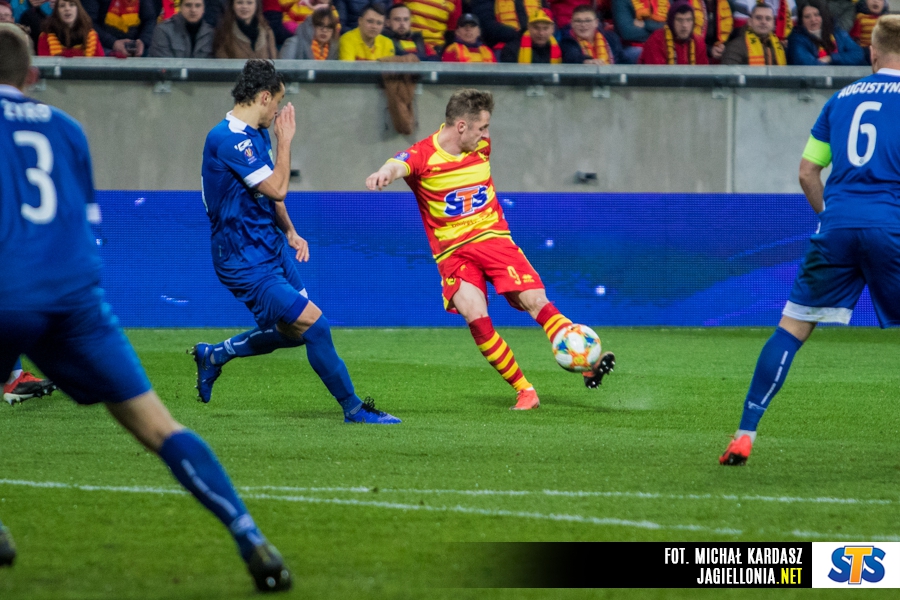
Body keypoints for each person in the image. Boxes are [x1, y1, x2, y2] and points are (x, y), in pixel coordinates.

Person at [0, 27, 292, 592]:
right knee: (159, 427)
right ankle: (252, 537)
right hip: (75, 301)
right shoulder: (66, 129)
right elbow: (86, 227)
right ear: (32, 76)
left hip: (6, 292)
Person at [720, 15, 900, 466]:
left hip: (836, 226)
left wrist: (830, 218)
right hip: (890, 226)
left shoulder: (840, 100)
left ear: (872, 52)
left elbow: (806, 172)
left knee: (791, 329)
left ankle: (745, 433)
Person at [365, 89, 616, 410]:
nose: (486, 135)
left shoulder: (481, 146)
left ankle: (587, 363)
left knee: (535, 300)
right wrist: (384, 174)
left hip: (493, 239)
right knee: (475, 315)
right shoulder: (424, 156)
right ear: (461, 126)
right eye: (482, 127)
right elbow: (398, 164)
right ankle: (525, 391)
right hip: (453, 252)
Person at [195, 59, 401, 425]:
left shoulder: (256, 134)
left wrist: (289, 230)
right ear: (263, 97)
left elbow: (267, 195)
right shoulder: (226, 139)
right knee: (316, 326)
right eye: (277, 101)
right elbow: (277, 187)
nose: (278, 111)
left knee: (295, 334)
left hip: (270, 247)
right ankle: (354, 409)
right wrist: (286, 141)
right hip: (243, 259)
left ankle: (215, 355)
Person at [787, 0, 865, 65]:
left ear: (823, 16)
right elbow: (808, 63)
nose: (813, 19)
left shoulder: (837, 32)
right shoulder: (797, 39)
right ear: (802, 21)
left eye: (816, 15)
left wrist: (831, 58)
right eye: (807, 16)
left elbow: (858, 54)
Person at [638, 0, 709, 64]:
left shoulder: (698, 43)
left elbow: (703, 72)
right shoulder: (657, 40)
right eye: (679, 20)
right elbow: (656, 73)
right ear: (671, 21)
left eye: (688, 20)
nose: (684, 25)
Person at [82, 0, 157, 56]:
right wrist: (113, 43)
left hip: (136, 47)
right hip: (104, 46)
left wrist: (143, 41)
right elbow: (88, 23)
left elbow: (149, 19)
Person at [721, 3, 787, 65]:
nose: (763, 22)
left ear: (773, 24)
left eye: (768, 19)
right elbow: (729, 72)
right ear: (749, 21)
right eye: (758, 18)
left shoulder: (778, 46)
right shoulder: (735, 46)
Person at [560, 3, 626, 64]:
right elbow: (572, 56)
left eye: (588, 20)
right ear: (571, 23)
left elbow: (623, 60)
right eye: (578, 21)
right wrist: (585, 61)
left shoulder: (611, 37)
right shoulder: (567, 41)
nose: (583, 25)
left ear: (596, 23)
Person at [148, 0, 216, 57]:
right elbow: (163, 64)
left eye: (198, 5)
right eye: (188, 5)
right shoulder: (163, 30)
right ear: (180, 7)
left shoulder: (211, 33)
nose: (193, 10)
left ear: (203, 9)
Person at [37, 0, 105, 56]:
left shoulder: (91, 36)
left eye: (72, 5)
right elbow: (45, 66)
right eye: (62, 6)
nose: (67, 9)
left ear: (78, 9)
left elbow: (100, 65)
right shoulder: (45, 36)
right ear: (56, 11)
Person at [470, 0, 541, 49]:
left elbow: (545, 16)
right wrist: (517, 35)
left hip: (535, 45)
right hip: (503, 46)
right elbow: (486, 23)